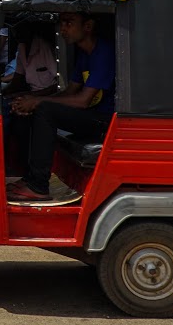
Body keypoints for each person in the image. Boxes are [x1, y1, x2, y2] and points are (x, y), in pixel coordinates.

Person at [7, 11, 116, 203]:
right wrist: (32, 101)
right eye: (61, 23)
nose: (62, 29)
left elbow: (82, 100)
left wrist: (40, 102)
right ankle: (30, 176)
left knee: (45, 111)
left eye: (69, 23)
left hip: (105, 120)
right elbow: (69, 92)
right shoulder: (84, 53)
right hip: (92, 114)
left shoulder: (103, 53)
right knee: (34, 111)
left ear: (88, 26)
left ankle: (39, 185)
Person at [2, 22, 58, 94]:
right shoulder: (21, 47)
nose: (17, 34)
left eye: (20, 30)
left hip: (49, 95)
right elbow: (18, 77)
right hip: (32, 93)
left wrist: (34, 96)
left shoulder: (44, 47)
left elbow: (58, 83)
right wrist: (2, 93)